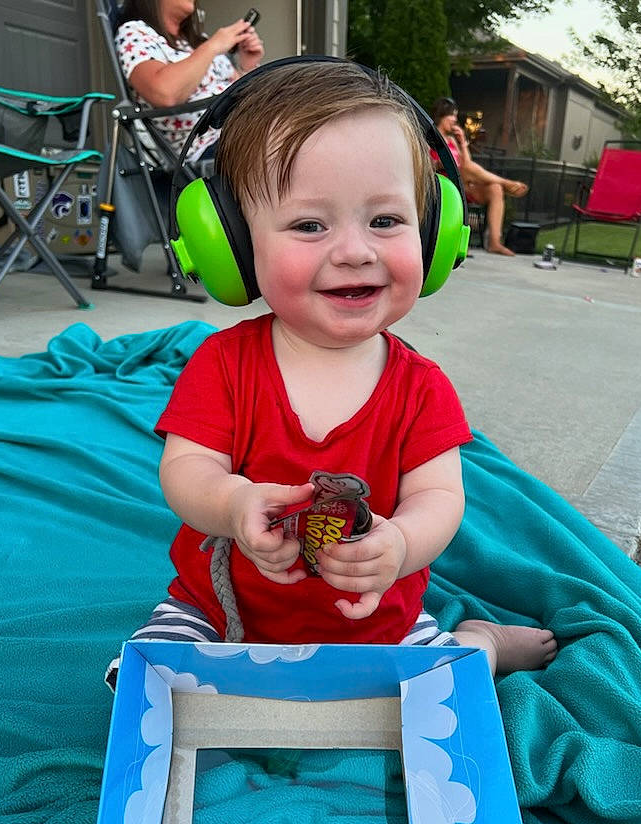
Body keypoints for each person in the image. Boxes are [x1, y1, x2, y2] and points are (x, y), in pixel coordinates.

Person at [108, 61, 556, 688]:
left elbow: (439, 498)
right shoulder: (223, 364)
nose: (355, 250)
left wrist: (399, 544)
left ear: (434, 235)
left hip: (376, 620)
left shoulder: (422, 388)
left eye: (386, 220)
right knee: (145, 672)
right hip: (220, 612)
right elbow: (186, 472)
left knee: (441, 676)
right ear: (232, 246)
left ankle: (478, 642)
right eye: (309, 225)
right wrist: (233, 502)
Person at [115, 0, 264, 163]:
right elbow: (164, 93)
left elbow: (234, 89)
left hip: (242, 128)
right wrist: (213, 46)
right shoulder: (134, 32)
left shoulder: (192, 42)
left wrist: (246, 66)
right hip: (205, 144)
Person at [431, 97, 528, 257]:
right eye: (452, 115)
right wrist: (442, 163)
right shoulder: (430, 137)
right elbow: (427, 165)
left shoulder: (452, 141)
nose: (455, 119)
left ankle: (494, 242)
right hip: (443, 184)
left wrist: (463, 144)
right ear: (441, 115)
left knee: (495, 189)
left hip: (464, 184)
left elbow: (468, 163)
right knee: (464, 167)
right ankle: (506, 183)